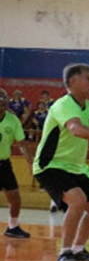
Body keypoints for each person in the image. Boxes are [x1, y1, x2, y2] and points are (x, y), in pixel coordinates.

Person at [33, 64, 89, 261]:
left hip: (74, 169)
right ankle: (64, 253)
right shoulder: (63, 105)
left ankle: (78, 249)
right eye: (88, 78)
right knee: (77, 200)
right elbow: (76, 129)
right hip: (50, 166)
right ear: (72, 82)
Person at [0, 95, 34, 238]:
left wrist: (31, 162)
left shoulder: (12, 120)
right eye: (0, 103)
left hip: (4, 164)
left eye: (4, 103)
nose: (2, 106)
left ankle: (12, 227)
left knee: (14, 197)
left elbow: (22, 144)